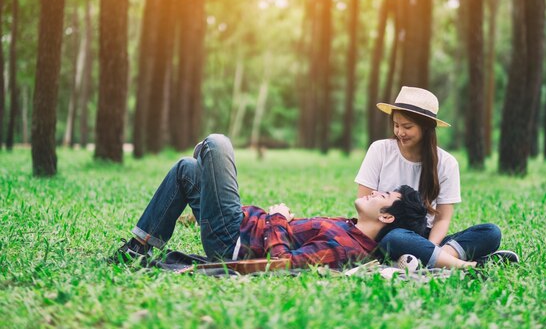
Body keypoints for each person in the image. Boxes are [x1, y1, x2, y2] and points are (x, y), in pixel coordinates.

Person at [114, 134, 427, 269]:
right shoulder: (349, 228)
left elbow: (280, 264)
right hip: (240, 225)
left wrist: (278, 217)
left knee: (217, 144)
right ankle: (137, 248)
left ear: (387, 217)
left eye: (383, 195)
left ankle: (208, 159)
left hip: (233, 240)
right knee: (186, 169)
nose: (373, 192)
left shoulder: (346, 247)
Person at [355, 87, 519, 268]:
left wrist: (430, 247)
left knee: (491, 232)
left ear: (426, 127)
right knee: (397, 238)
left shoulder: (447, 163)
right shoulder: (380, 150)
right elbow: (363, 201)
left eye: (407, 127)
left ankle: (427, 261)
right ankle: (466, 265)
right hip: (386, 236)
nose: (400, 132)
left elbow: (442, 218)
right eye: (396, 125)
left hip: (427, 238)